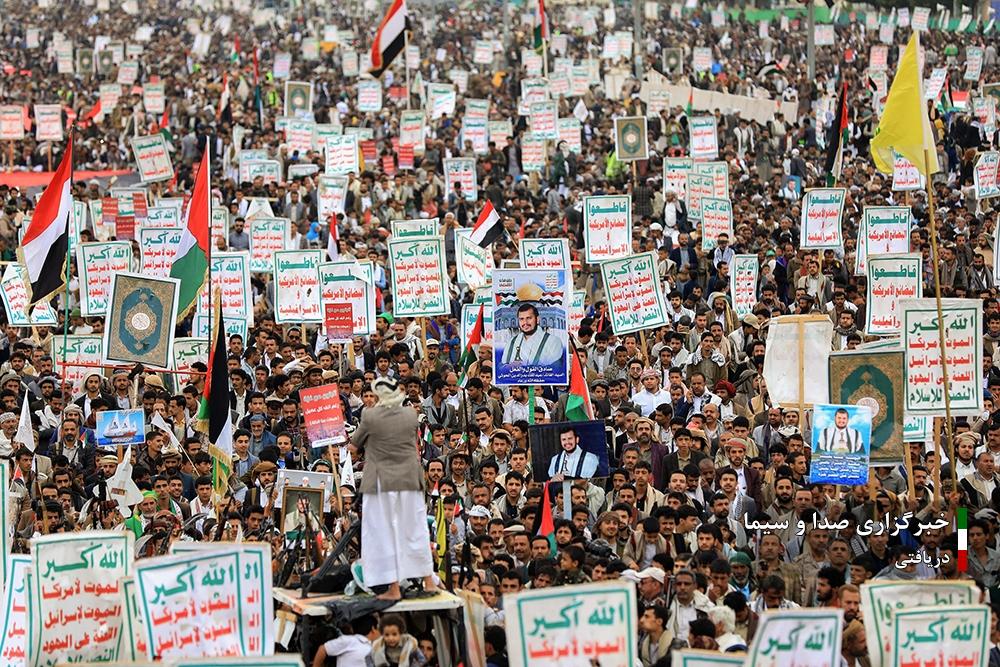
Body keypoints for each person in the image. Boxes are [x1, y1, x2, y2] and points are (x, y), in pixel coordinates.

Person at [352, 377, 436, 600]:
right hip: (409, 479)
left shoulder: (370, 415)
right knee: (415, 529)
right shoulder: (410, 414)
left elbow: (354, 445)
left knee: (383, 532)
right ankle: (428, 581)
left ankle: (394, 588)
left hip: (382, 481)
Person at [499, 303, 565, 368]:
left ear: (537, 320)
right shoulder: (511, 342)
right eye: (521, 319)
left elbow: (556, 369)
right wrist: (509, 366)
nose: (525, 322)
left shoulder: (553, 342)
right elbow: (500, 368)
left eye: (529, 318)